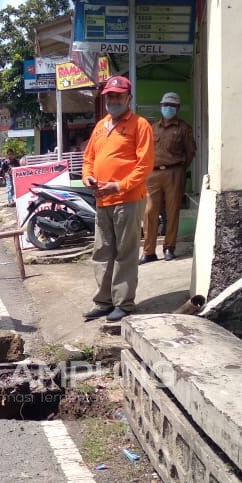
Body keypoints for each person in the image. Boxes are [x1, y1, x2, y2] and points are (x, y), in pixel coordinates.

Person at [81, 75, 154, 323]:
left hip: (128, 199)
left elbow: (144, 165)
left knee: (126, 252)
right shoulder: (101, 126)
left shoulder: (140, 125)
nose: (113, 100)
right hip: (103, 200)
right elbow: (88, 159)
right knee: (102, 252)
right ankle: (103, 301)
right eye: (109, 96)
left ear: (128, 98)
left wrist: (119, 186)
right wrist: (88, 177)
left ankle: (124, 303)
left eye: (118, 96)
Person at [141, 92, 195, 264]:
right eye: (165, 105)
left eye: (171, 106)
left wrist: (179, 169)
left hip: (174, 172)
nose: (168, 108)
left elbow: (190, 152)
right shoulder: (153, 127)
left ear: (177, 108)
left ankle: (169, 248)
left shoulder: (183, 128)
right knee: (150, 212)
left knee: (172, 212)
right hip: (153, 174)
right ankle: (149, 251)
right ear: (161, 106)